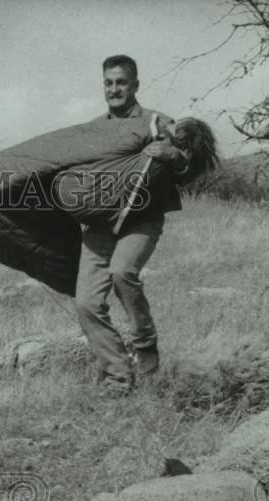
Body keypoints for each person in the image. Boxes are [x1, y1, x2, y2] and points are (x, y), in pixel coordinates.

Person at [75, 55, 193, 396]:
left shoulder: (158, 123)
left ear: (135, 85)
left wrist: (174, 157)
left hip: (141, 219)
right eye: (109, 83)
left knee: (122, 272)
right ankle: (117, 375)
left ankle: (145, 348)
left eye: (121, 82)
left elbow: (189, 170)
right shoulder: (93, 130)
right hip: (99, 223)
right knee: (86, 302)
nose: (114, 89)